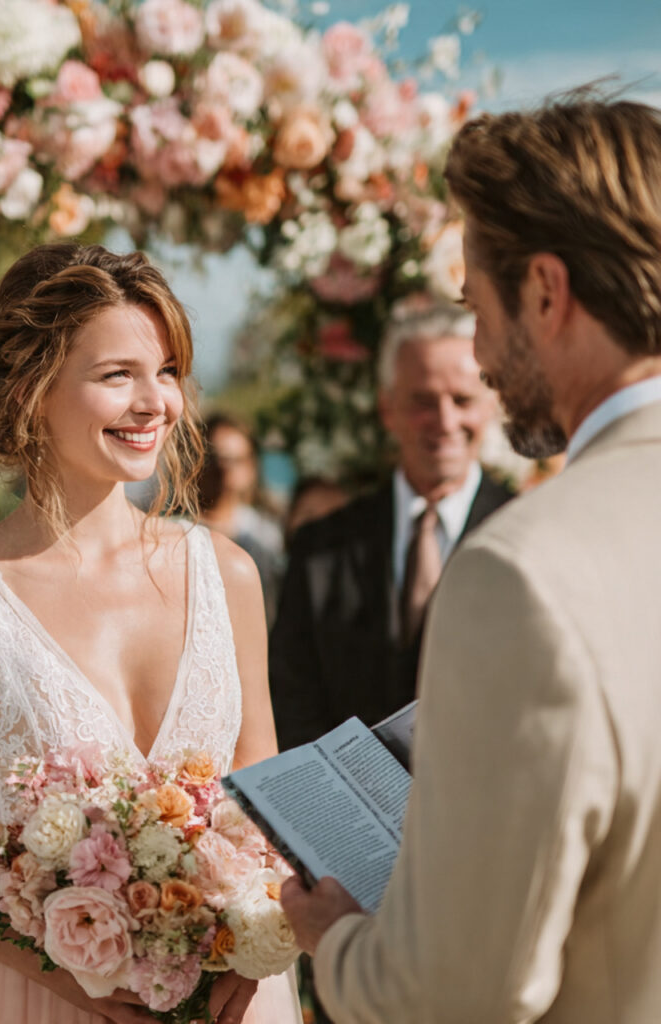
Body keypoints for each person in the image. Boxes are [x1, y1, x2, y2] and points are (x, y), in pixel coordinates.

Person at [281, 93, 661, 1023]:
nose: (481, 353)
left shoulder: (523, 569)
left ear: (545, 292)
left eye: (475, 306)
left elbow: (460, 994)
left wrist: (338, 942)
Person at [0, 243, 302, 1024]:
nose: (156, 402)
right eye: (117, 375)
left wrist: (257, 941)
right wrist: (64, 971)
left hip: (227, 994)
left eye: (167, 371)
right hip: (28, 997)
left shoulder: (227, 574)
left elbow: (263, 800)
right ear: (33, 389)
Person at [268, 301, 512, 751]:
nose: (445, 421)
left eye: (462, 400)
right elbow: (291, 700)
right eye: (423, 401)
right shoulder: (322, 548)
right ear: (387, 408)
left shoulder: (527, 536)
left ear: (491, 404)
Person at [198, 412, 285, 625]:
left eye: (236, 460)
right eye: (216, 458)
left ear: (251, 467)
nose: (224, 469)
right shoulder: (173, 529)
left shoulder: (266, 534)